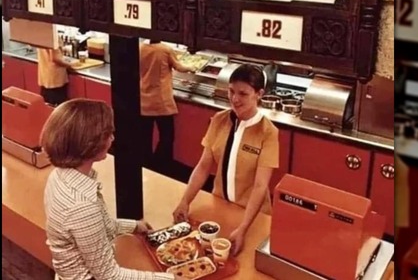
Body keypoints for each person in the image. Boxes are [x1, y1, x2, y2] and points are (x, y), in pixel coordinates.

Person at [41, 99, 174, 280]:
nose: (112, 138)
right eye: (107, 134)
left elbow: (101, 226)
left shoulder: (60, 175)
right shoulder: (81, 205)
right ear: (88, 142)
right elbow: (109, 276)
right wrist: (171, 279)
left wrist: (135, 226)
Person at [172, 64, 278, 256]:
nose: (235, 99)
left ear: (259, 94)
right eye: (231, 91)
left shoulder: (268, 132)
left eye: (243, 94)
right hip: (220, 205)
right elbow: (204, 166)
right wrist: (185, 201)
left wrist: (243, 229)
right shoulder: (219, 120)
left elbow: (260, 186)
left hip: (253, 216)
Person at [139, 40, 195, 171]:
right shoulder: (165, 50)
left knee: (145, 136)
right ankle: (160, 164)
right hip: (161, 101)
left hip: (144, 98)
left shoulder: (140, 48)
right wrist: (192, 68)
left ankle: (146, 164)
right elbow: (179, 67)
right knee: (167, 136)